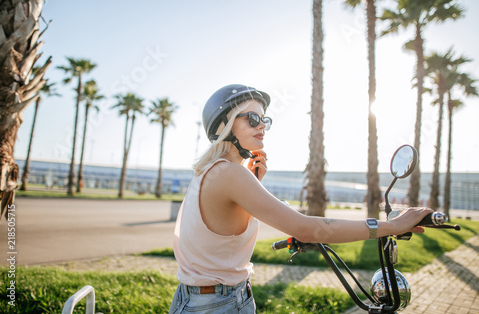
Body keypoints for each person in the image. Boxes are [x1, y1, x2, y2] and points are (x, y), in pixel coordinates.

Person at [169, 84, 431, 313]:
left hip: (204, 298)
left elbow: (217, 230)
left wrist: (254, 183)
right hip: (218, 304)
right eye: (251, 118)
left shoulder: (211, 171)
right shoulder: (230, 173)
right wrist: (391, 226)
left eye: (264, 120)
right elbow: (306, 228)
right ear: (224, 125)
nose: (262, 125)